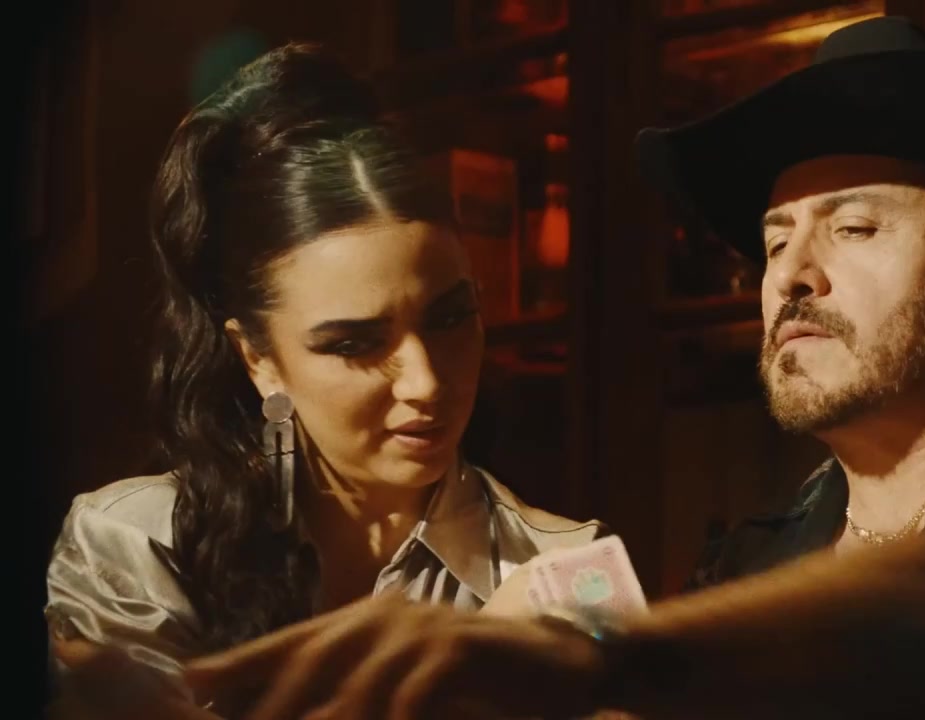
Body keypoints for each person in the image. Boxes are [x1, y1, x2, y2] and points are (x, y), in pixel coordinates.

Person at [183, 15, 925, 720]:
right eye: (772, 240)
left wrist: (607, 655)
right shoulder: (755, 561)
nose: (791, 275)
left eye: (853, 228)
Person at [42, 42, 605, 718]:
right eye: (354, 344)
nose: (425, 381)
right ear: (257, 358)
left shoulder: (568, 570)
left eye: (450, 318)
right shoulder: (140, 545)